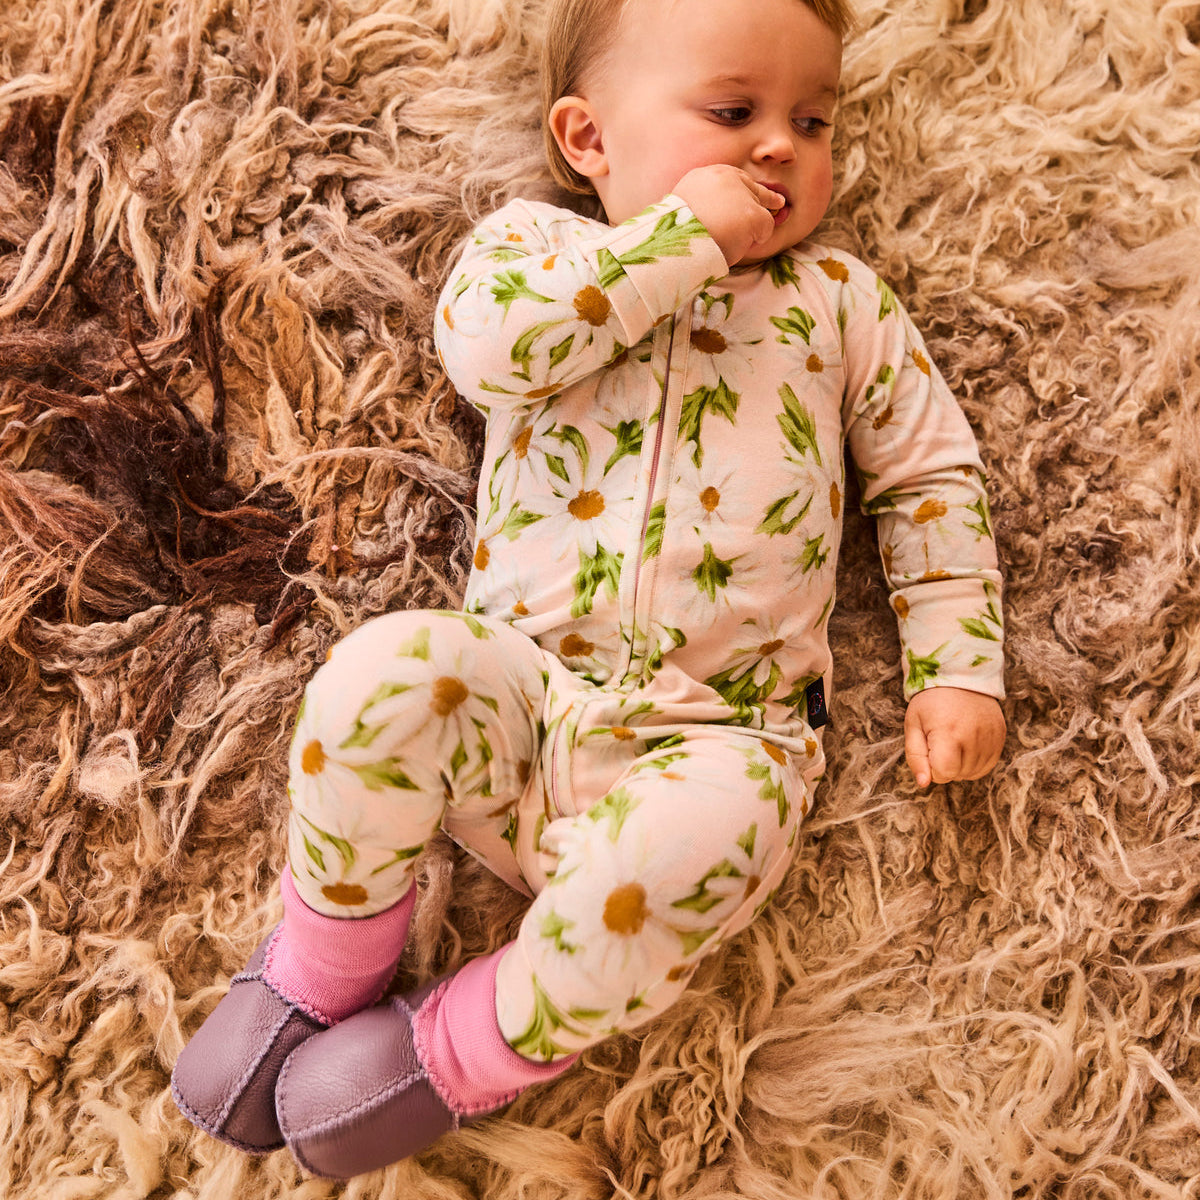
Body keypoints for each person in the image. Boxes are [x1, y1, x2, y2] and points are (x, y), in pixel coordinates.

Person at [172, 0, 1007, 1179]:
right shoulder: (535, 252)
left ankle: (458, 1046)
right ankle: (325, 962)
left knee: (691, 857)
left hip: (718, 740)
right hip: (523, 692)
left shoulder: (841, 303)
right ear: (588, 139)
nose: (780, 147)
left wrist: (960, 665)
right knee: (379, 679)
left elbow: (930, 474)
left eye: (812, 120)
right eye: (733, 112)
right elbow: (491, 352)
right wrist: (677, 245)